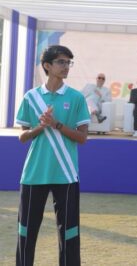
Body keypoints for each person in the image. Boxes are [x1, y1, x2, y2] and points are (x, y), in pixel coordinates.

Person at [15, 45, 90, 266]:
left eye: (69, 62)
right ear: (47, 66)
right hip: (34, 174)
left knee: (69, 233)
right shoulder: (31, 97)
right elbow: (23, 136)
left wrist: (56, 124)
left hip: (65, 174)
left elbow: (82, 137)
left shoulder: (76, 98)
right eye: (61, 62)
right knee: (26, 232)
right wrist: (41, 126)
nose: (66, 66)